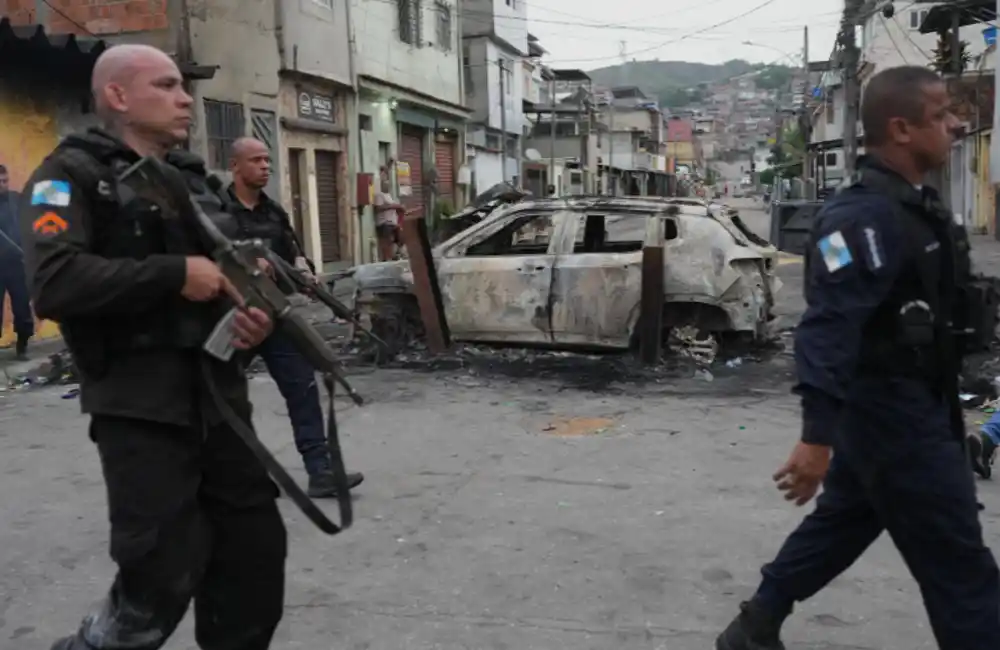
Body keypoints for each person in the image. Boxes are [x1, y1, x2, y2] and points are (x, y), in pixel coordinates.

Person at [715, 66, 1000, 650]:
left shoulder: (919, 206)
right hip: (894, 418)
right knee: (961, 568)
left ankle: (756, 624)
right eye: (942, 114)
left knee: (848, 519)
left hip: (918, 404)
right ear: (901, 128)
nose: (956, 124)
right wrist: (816, 437)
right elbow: (826, 328)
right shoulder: (861, 218)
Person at [21, 44, 285, 650]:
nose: (185, 97)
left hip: (219, 402)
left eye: (181, 86)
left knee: (253, 560)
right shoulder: (66, 178)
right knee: (158, 575)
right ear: (118, 96)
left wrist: (250, 318)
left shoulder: (194, 182)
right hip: (139, 409)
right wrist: (173, 274)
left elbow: (230, 276)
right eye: (166, 85)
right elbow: (54, 283)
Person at [225, 136, 364, 498]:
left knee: (302, 388)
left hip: (277, 315)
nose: (265, 166)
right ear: (235, 166)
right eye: (256, 160)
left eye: (268, 160)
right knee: (221, 394)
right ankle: (225, 475)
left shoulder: (274, 212)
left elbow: (295, 252)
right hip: (234, 316)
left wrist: (305, 272)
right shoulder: (216, 213)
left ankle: (320, 472)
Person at [0, 163, 33, 359]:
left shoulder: (16, 199)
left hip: (17, 263)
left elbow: (29, 225)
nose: (2, 184)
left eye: (5, 180)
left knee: (22, 307)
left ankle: (22, 346)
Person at [373, 164, 406, 261]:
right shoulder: (379, 195)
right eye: (384, 180)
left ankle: (396, 255)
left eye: (387, 179)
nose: (387, 182)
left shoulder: (388, 195)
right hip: (384, 224)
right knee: (387, 245)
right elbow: (378, 208)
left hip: (392, 223)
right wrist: (395, 206)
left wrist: (400, 208)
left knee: (401, 238)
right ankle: (387, 260)